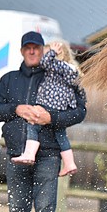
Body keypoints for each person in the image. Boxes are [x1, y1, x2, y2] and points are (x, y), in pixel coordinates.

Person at [0, 31, 87, 212]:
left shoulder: (56, 75)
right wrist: (16, 109)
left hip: (48, 155)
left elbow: (80, 111)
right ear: (22, 51)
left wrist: (51, 118)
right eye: (28, 48)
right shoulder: (8, 80)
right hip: (16, 155)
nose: (32, 51)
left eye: (36, 48)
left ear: (44, 50)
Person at [12, 40, 81, 177]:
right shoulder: (73, 70)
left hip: (50, 103)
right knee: (61, 135)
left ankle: (29, 154)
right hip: (62, 107)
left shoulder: (56, 66)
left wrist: (52, 52)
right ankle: (70, 163)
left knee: (33, 124)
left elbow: (44, 62)